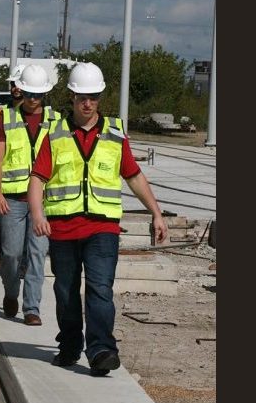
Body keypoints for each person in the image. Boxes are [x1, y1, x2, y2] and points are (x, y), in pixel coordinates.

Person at [27, 62, 168, 376]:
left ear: (100, 97)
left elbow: (134, 177)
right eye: (81, 97)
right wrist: (37, 213)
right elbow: (37, 178)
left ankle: (102, 349)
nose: (87, 103)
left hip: (102, 228)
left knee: (100, 289)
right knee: (65, 292)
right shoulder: (56, 133)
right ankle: (69, 345)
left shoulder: (115, 135)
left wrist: (156, 214)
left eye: (92, 96)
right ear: (72, 98)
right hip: (62, 229)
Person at [0, 64, 61, 326]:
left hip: (42, 202)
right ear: (22, 90)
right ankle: (11, 293)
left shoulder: (57, 121)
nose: (33, 99)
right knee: (10, 254)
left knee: (37, 254)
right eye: (29, 93)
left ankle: (32, 308)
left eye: (38, 94)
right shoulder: (5, 119)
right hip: (12, 200)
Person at [0, 63, 25, 271]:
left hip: (29, 181)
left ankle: (23, 262)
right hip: (4, 178)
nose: (15, 88)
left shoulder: (40, 113)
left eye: (19, 84)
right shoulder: (0, 112)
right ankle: (3, 250)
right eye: (13, 84)